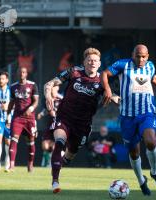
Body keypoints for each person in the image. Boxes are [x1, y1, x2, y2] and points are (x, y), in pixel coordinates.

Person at [102, 44, 156, 196]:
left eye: (143, 56)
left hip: (146, 113)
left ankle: (154, 172)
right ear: (133, 55)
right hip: (127, 116)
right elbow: (104, 73)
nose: (141, 59)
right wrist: (108, 89)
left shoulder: (150, 66)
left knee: (151, 141)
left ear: (147, 56)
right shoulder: (123, 65)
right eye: (138, 56)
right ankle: (141, 181)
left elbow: (153, 77)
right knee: (134, 153)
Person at [44, 47, 117, 194]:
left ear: (99, 63)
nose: (92, 62)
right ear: (84, 62)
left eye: (95, 60)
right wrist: (47, 96)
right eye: (89, 60)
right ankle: (55, 181)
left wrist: (118, 99)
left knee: (71, 153)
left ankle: (60, 163)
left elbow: (114, 96)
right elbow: (49, 84)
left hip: (83, 124)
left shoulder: (102, 81)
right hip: (65, 117)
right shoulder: (74, 72)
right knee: (59, 142)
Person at [7, 67, 39, 172]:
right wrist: (8, 117)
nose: (22, 73)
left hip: (30, 118)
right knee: (14, 139)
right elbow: (11, 103)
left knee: (31, 141)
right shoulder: (13, 87)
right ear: (17, 73)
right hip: (17, 117)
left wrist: (30, 108)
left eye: (24, 72)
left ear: (26, 74)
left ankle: (30, 165)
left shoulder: (32, 85)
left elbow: (36, 101)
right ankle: (11, 165)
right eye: (20, 72)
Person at [37, 85, 63, 167]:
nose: (52, 90)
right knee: (45, 146)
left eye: (54, 88)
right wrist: (41, 114)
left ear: (57, 89)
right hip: (50, 126)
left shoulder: (62, 99)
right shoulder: (49, 99)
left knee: (54, 146)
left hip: (59, 126)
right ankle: (47, 160)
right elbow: (46, 110)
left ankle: (51, 163)